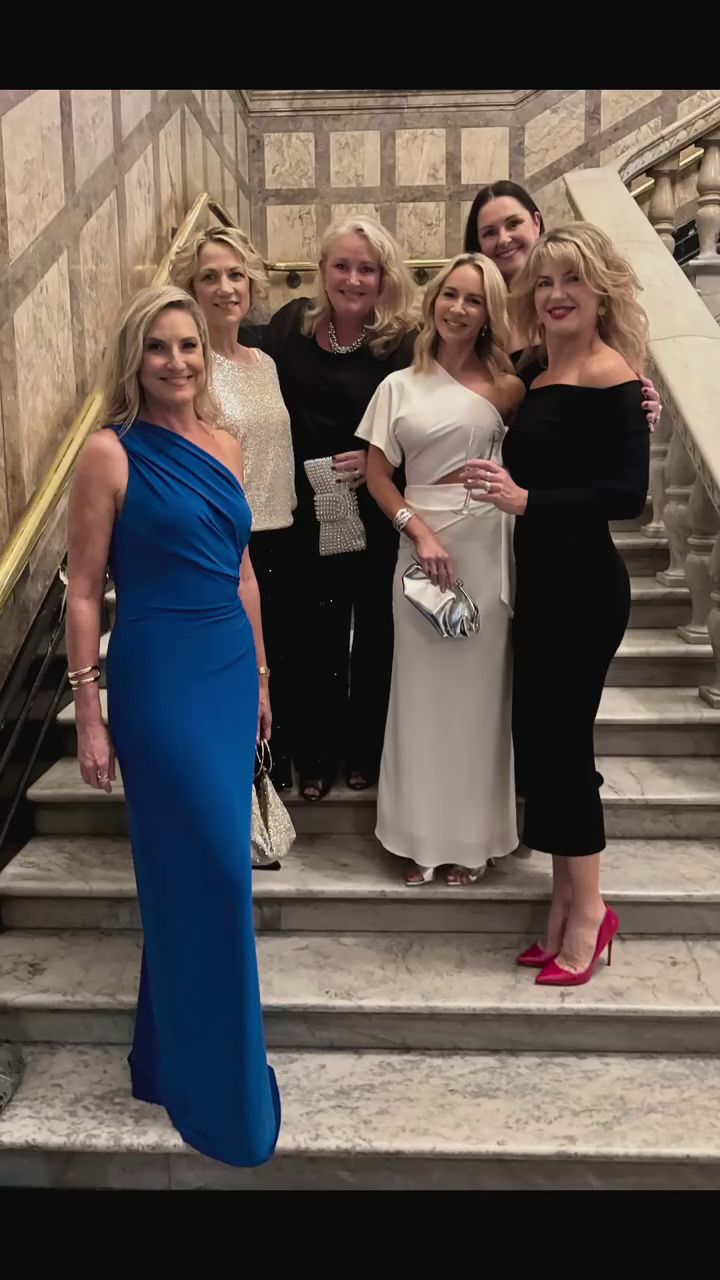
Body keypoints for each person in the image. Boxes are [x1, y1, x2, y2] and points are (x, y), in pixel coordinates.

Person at [65, 285, 280, 1165]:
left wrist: (260, 676)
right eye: (159, 347)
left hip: (227, 668)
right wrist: (89, 710)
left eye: (189, 345)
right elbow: (84, 591)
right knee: (216, 877)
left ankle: (163, 1060)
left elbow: (243, 572)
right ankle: (220, 1091)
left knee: (195, 871)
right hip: (156, 676)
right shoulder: (108, 453)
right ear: (136, 358)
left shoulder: (227, 444)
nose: (177, 361)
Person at [463, 223, 650, 986]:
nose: (557, 294)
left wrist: (528, 500)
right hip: (539, 585)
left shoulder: (613, 375)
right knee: (543, 748)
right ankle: (564, 904)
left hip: (585, 590)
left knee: (567, 753)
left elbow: (629, 496)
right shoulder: (537, 371)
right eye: (544, 282)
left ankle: (590, 912)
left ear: (601, 289)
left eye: (572, 279)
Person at [357, 253, 523, 885]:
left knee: (479, 702)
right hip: (420, 548)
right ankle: (418, 838)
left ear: (489, 313)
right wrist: (418, 530)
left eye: (474, 300)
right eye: (450, 294)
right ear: (433, 301)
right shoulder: (397, 386)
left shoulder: (509, 389)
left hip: (486, 544)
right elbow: (378, 476)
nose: (458, 308)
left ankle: (473, 841)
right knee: (419, 697)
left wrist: (642, 399)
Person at [241, 215, 418, 801]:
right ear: (321, 270)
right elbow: (244, 379)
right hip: (303, 509)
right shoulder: (291, 326)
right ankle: (314, 754)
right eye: (342, 265)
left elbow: (426, 414)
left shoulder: (403, 344)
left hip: (376, 507)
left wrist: (376, 457)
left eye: (367, 268)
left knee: (375, 635)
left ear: (383, 278)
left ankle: (364, 750)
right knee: (313, 635)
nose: (353, 278)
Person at [171, 226, 297, 790]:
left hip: (282, 530)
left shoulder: (264, 362)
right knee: (233, 667)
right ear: (192, 290)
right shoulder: (190, 369)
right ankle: (231, 789)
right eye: (210, 277)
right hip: (226, 542)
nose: (225, 287)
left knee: (275, 663)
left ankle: (269, 776)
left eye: (235, 275)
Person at [463, 181, 661, 424]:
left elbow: (613, 388)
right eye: (489, 233)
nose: (503, 239)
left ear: (536, 222)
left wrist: (635, 404)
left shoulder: (580, 304)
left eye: (513, 224)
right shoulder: (472, 312)